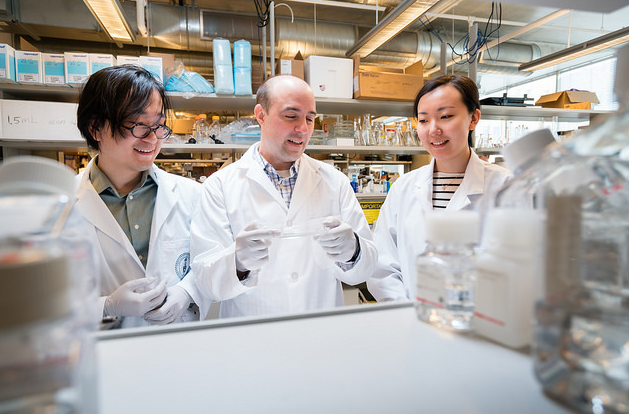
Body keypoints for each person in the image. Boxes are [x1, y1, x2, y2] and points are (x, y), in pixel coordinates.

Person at [190, 75, 377, 318]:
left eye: (310, 118)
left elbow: (367, 268)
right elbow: (205, 281)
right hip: (253, 340)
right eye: (291, 116)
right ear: (261, 115)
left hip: (319, 335)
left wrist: (353, 250)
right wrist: (237, 262)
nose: (303, 128)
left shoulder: (335, 182)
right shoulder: (219, 187)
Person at [75, 65, 208, 328]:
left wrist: (188, 291)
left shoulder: (192, 195)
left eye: (159, 125)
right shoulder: (62, 206)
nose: (152, 138)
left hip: (180, 348)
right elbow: (43, 303)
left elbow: (209, 263)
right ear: (96, 129)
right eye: (137, 125)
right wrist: (106, 305)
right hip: (105, 354)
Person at [367, 74, 512, 302]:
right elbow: (383, 268)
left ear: (474, 118)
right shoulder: (403, 188)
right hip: (410, 322)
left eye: (445, 116)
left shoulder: (506, 188)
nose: (433, 129)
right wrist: (404, 312)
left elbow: (518, 269)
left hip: (481, 327)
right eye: (423, 120)